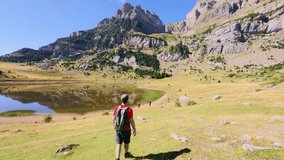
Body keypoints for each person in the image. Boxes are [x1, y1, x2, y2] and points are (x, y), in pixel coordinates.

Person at [113, 94, 136, 160]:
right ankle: (126, 153)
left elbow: (114, 118)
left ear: (121, 100)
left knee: (118, 144)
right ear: (127, 100)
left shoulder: (116, 108)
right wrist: (134, 129)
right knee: (126, 142)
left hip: (118, 129)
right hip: (127, 130)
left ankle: (117, 158)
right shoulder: (129, 109)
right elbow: (131, 120)